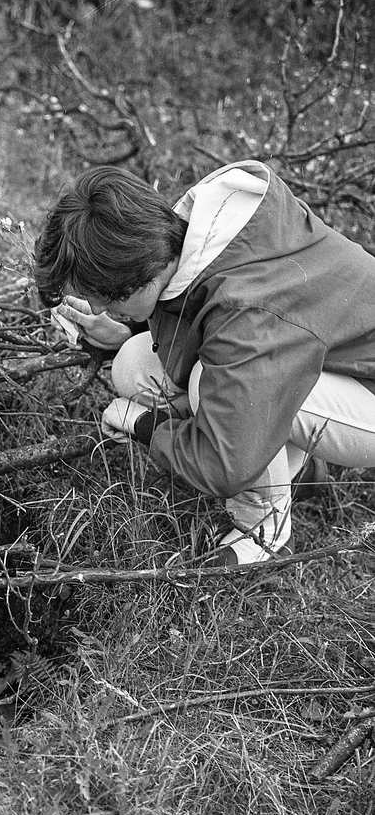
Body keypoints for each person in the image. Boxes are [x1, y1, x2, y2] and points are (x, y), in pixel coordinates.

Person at [34, 159, 375, 565]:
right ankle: (298, 465)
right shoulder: (196, 235)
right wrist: (118, 340)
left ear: (130, 278)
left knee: (209, 384)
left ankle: (264, 531)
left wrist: (143, 425)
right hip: (322, 355)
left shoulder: (249, 310)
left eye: (102, 298)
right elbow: (208, 326)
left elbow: (224, 462)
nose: (97, 307)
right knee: (134, 363)